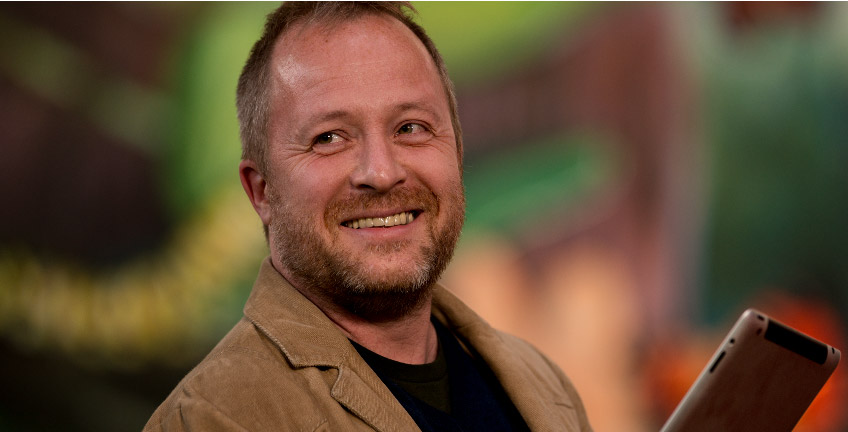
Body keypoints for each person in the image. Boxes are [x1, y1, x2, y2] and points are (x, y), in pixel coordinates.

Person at [145, 2, 592, 431]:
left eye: (411, 128)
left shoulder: (543, 385)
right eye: (328, 138)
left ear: (456, 153)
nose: (381, 172)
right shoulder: (214, 418)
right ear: (261, 190)